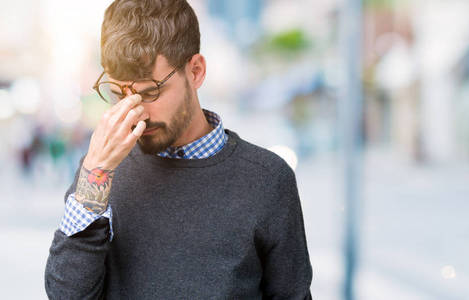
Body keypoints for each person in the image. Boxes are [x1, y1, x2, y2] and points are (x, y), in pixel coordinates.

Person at [44, 0, 312, 299]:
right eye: (118, 94)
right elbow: (67, 295)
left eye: (150, 92)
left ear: (195, 71)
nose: (136, 113)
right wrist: (95, 175)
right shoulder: (101, 172)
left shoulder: (267, 178)